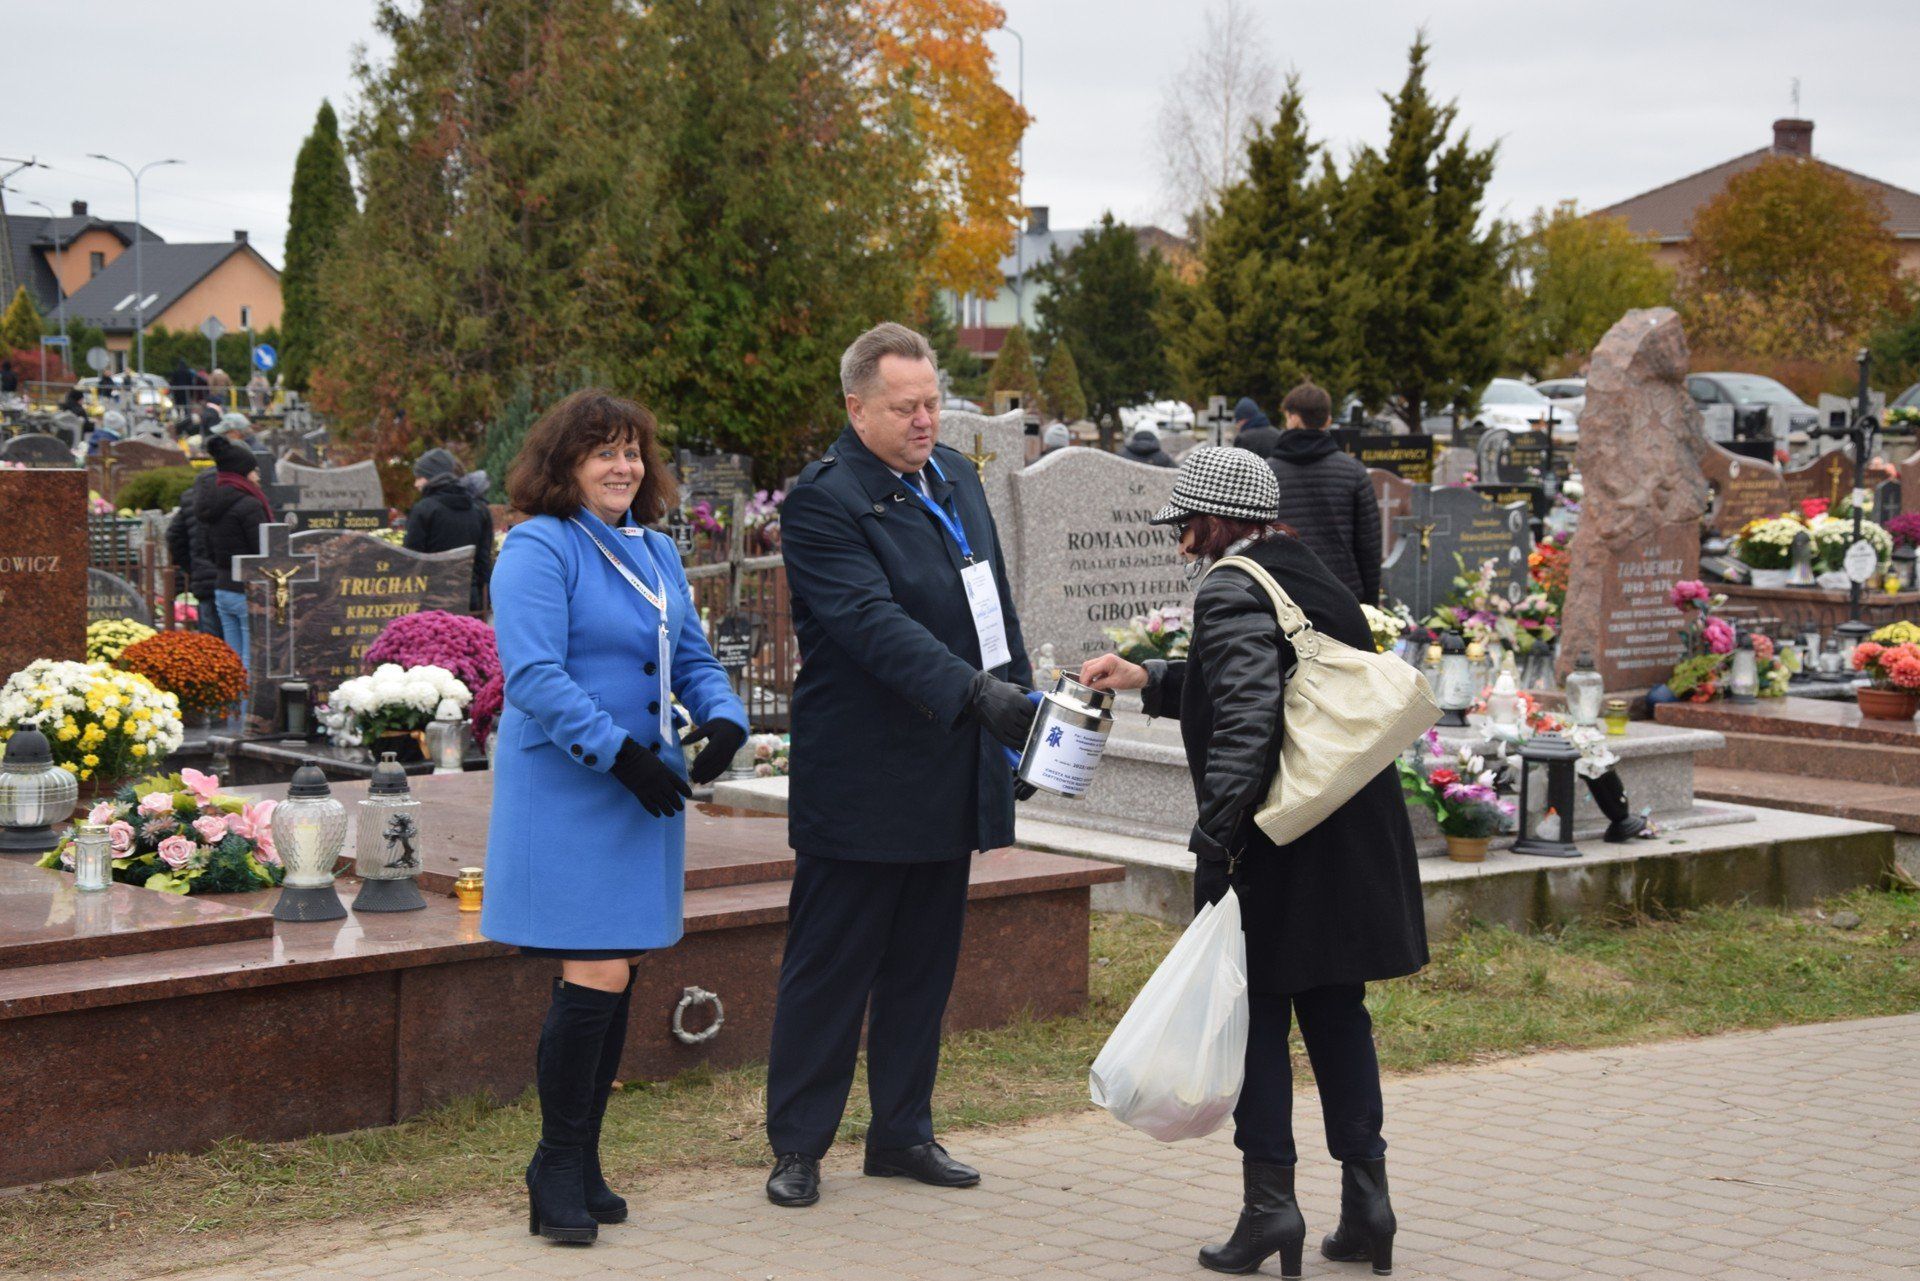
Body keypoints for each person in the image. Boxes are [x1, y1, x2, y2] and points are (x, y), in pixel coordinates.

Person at [1082, 446, 1426, 1279]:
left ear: (1216, 518)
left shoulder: (1229, 584)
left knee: (1260, 1021)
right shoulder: (1307, 571)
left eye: (1185, 523)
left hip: (1277, 839)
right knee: (1339, 1013)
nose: (1180, 540)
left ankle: (1269, 1208)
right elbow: (1276, 677)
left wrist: (1219, 837)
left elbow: (1246, 717)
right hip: (1347, 827)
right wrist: (1148, 677)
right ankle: (1368, 1204)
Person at [762, 322, 1036, 1209]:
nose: (926, 420)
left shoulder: (955, 475)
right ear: (856, 408)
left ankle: (902, 1132)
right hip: (865, 776)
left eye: (933, 403)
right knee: (832, 968)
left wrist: (1023, 716)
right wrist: (976, 695)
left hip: (951, 764)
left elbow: (992, 605)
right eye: (905, 407)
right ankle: (799, 1143)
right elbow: (871, 624)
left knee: (923, 965)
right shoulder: (824, 500)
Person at [481, 389, 747, 1246]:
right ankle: (554, 1164)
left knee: (620, 967)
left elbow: (691, 656)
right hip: (573, 786)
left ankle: (582, 1157)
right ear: (565, 463)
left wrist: (724, 714)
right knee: (593, 970)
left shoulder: (656, 549)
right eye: (604, 451)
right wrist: (620, 754)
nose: (624, 466)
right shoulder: (538, 546)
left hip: (642, 788)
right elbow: (534, 676)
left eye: (633, 450)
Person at [1267, 381, 1382, 605]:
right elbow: (1369, 546)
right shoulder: (1353, 472)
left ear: (1293, 418)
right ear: (1328, 420)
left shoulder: (1267, 472)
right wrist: (1370, 605)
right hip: (1341, 593)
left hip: (1282, 593)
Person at [198, 436, 274, 675]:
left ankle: (233, 701)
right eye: (254, 471)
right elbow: (263, 549)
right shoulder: (250, 505)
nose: (258, 476)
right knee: (251, 658)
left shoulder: (211, 502)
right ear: (243, 473)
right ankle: (247, 701)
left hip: (223, 586)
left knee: (233, 658)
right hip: (247, 590)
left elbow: (208, 549)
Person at [404, 447, 494, 612]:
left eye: (420, 477)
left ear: (432, 476)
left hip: (431, 604)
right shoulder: (479, 510)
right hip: (470, 601)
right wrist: (484, 601)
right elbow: (483, 562)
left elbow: (410, 561)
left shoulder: (423, 510)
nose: (416, 484)